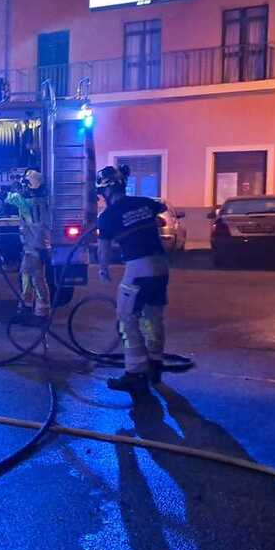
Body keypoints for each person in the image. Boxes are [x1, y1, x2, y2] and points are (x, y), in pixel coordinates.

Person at [96, 164, 169, 395]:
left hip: (138, 268)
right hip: (161, 267)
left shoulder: (107, 216)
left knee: (127, 319)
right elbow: (161, 207)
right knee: (153, 316)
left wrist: (103, 268)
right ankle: (155, 364)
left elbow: (103, 249)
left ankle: (135, 373)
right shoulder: (145, 202)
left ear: (106, 191)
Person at [7, 169, 52, 320]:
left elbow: (10, 199)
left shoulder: (26, 203)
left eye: (26, 184)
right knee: (27, 276)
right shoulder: (43, 201)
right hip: (36, 247)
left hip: (34, 247)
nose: (24, 187)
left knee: (36, 278)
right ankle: (27, 307)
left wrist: (12, 188)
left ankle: (40, 312)